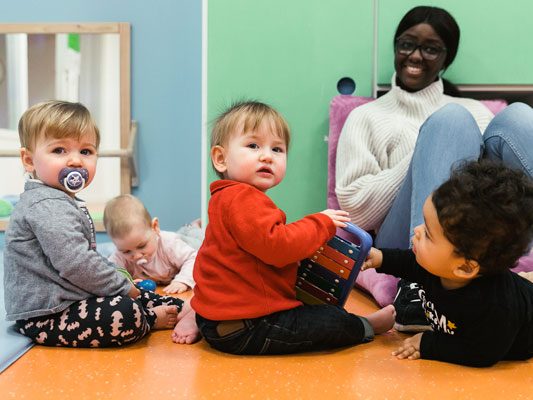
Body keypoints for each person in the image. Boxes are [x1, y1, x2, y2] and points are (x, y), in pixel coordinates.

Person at [335, 5, 533, 331]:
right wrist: (422, 150)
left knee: (520, 116)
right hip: (410, 237)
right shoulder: (367, 117)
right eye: (406, 44)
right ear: (395, 48)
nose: (415, 56)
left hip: (474, 236)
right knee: (448, 120)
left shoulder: (478, 112)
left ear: (446, 58)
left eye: (430, 49)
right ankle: (417, 291)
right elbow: (357, 211)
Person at [191, 100, 396, 355]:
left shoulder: (225, 198)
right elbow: (277, 246)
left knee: (311, 308)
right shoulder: (244, 199)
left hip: (218, 319)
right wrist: (321, 223)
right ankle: (365, 326)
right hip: (249, 328)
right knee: (329, 320)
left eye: (277, 149)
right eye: (253, 146)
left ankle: (196, 317)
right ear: (221, 159)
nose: (267, 155)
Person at [3, 100, 199, 347]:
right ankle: (150, 318)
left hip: (69, 300)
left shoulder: (63, 201)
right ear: (29, 160)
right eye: (59, 150)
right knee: (124, 312)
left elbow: (87, 262)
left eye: (86, 151)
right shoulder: (45, 205)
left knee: (144, 295)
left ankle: (188, 310)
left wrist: (125, 284)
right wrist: (123, 287)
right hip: (45, 314)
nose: (75, 161)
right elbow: (77, 263)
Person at [361, 160, 533, 367]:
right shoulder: (440, 266)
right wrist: (381, 257)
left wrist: (429, 343)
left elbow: (481, 353)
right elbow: (409, 263)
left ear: (464, 268)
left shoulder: (494, 308)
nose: (416, 230)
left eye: (428, 234)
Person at [104, 194, 197, 294]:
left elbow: (193, 258)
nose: (137, 256)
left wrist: (182, 281)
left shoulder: (168, 244)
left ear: (155, 227)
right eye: (126, 251)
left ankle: (193, 226)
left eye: (142, 246)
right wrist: (125, 283)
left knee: (195, 236)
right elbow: (110, 274)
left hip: (190, 242)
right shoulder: (119, 256)